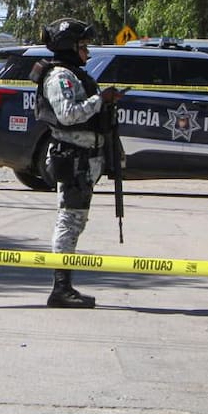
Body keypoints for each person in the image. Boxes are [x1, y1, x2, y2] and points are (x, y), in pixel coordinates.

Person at [32, 18, 122, 309]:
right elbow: (68, 114)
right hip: (73, 160)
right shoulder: (60, 76)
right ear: (69, 47)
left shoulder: (72, 74)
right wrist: (100, 100)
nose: (87, 52)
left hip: (84, 160)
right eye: (83, 46)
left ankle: (65, 286)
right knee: (69, 222)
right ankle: (60, 289)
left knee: (75, 222)